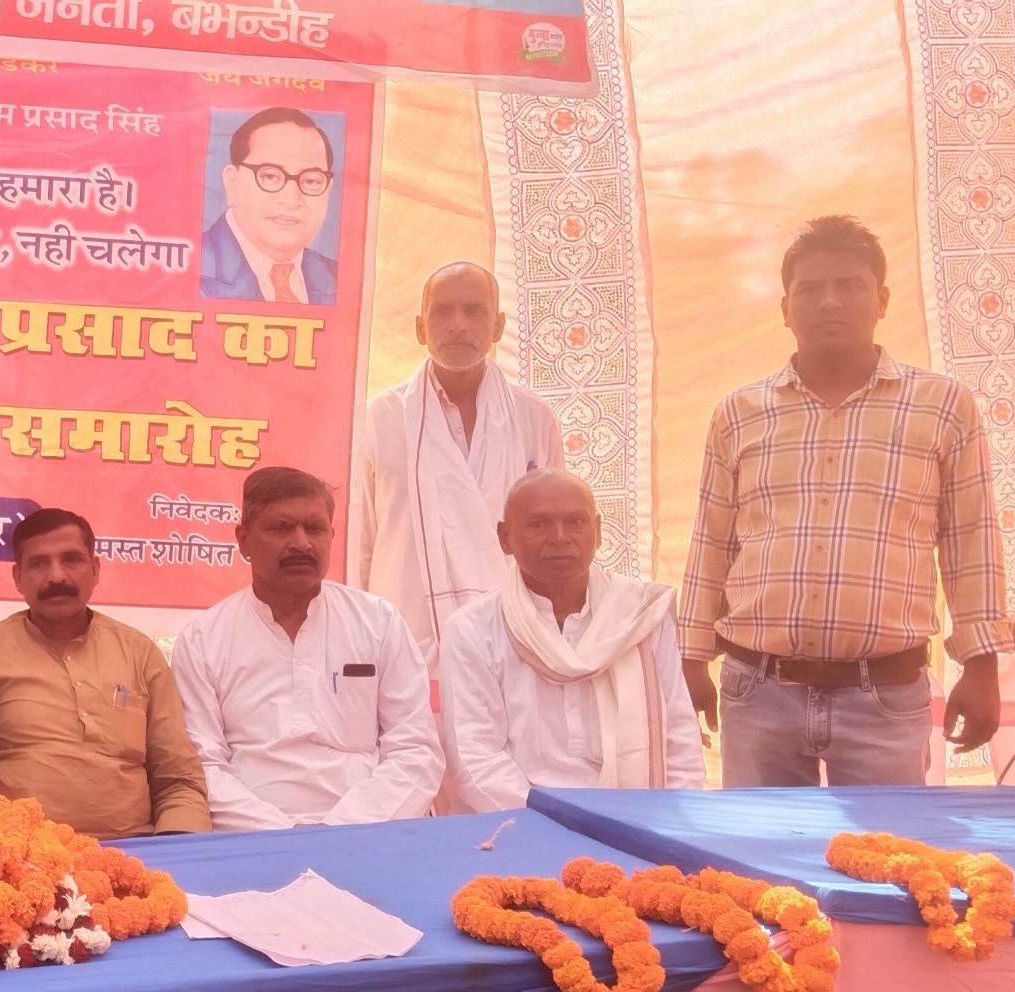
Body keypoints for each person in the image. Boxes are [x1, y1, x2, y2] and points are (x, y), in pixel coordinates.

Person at [680, 215, 1015, 785]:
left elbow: (972, 542)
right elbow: (711, 542)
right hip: (759, 692)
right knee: (760, 844)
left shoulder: (942, 406)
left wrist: (981, 669)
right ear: (785, 309)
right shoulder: (738, 413)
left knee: (885, 843)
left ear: (882, 301)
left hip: (886, 695)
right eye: (810, 289)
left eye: (850, 286)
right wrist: (691, 660)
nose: (829, 302)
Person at [171, 467, 442, 829]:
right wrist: (281, 833)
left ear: (331, 535)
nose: (301, 543)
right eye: (281, 528)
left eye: (315, 528)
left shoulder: (378, 622)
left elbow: (415, 749)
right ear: (243, 540)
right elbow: (201, 763)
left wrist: (340, 828)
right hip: (250, 834)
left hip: (367, 828)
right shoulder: (203, 639)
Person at [441, 471, 704, 811]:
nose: (560, 537)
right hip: (524, 818)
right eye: (539, 525)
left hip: (639, 815)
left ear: (598, 531)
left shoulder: (641, 616)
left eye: (575, 522)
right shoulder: (472, 629)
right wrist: (558, 820)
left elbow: (679, 736)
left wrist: (674, 816)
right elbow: (475, 758)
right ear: (505, 538)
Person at [350, 262, 566, 667]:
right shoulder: (381, 419)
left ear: (498, 326)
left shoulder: (533, 417)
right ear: (420, 328)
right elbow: (359, 543)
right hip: (403, 638)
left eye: (474, 311)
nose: (458, 325)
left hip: (511, 639)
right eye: (442, 312)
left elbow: (555, 535)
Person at [0, 508, 212, 840]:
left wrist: (179, 849)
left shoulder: (139, 653)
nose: (56, 577)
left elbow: (179, 777)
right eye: (39, 563)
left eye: (71, 559)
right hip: (23, 855)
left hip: (136, 851)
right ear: (18, 577)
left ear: (95, 569)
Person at [200, 107, 339, 306]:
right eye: (270, 176)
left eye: (311, 181)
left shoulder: (339, 278)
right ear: (233, 183)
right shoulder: (190, 269)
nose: (291, 200)